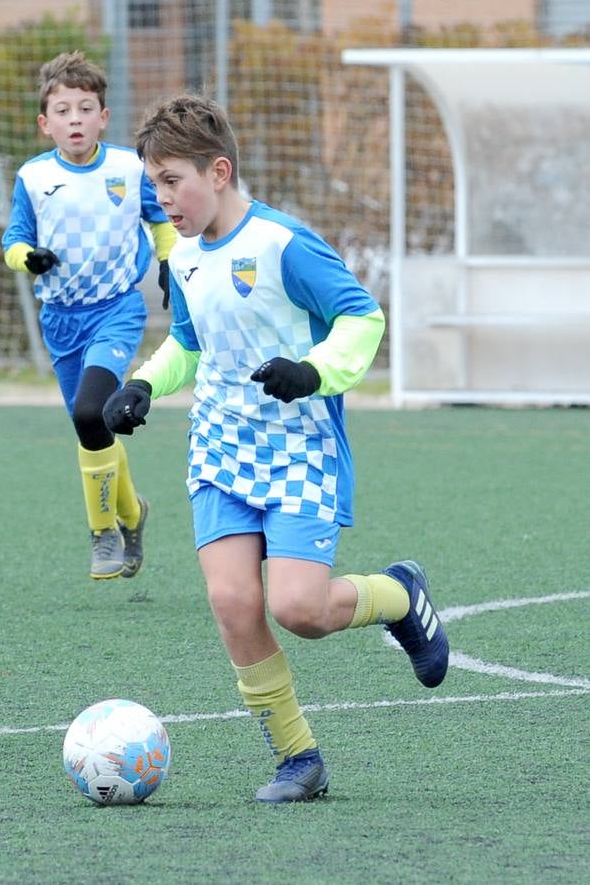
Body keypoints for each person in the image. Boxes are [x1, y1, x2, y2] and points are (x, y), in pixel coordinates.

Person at [104, 94, 450, 803]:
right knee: (233, 602)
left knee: (302, 610)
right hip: (220, 451)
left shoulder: (284, 244)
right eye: (155, 185)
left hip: (299, 450)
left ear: (219, 171)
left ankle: (399, 594)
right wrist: (143, 382)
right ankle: (299, 758)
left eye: (173, 181)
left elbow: (363, 317)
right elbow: (190, 345)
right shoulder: (186, 259)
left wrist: (313, 372)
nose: (163, 198)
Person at [2, 51, 177, 581]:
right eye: (62, 110)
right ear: (45, 122)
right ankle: (133, 514)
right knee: (95, 425)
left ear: (103, 117)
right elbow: (13, 240)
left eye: (85, 108)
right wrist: (27, 259)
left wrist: (169, 262)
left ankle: (103, 534)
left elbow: (161, 219)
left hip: (117, 311)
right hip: (61, 319)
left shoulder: (128, 168)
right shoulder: (33, 177)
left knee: (89, 416)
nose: (74, 119)